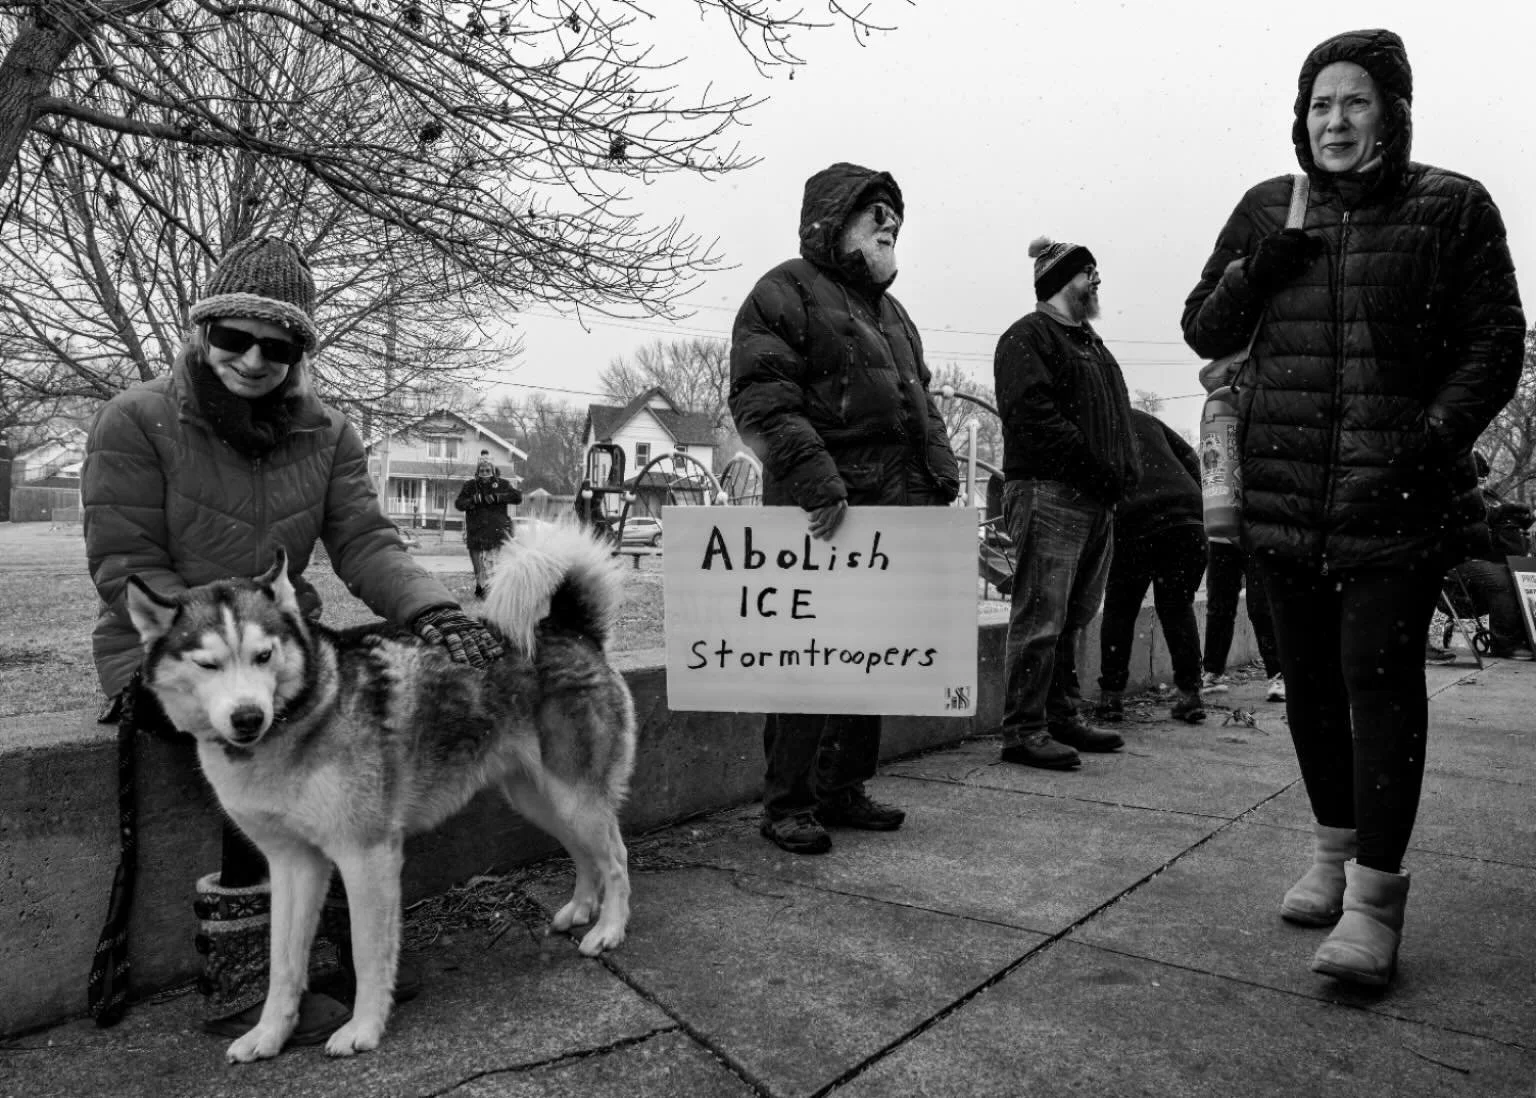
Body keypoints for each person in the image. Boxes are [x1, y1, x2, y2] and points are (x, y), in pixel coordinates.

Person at [81, 237, 504, 1037]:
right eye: (233, 337)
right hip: (173, 655)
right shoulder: (134, 419)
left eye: (276, 347)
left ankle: (350, 940)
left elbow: (366, 542)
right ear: (202, 332)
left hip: (279, 647)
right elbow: (125, 562)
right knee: (259, 744)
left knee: (377, 691)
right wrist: (223, 634)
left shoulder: (329, 433)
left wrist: (431, 611)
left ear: (298, 354)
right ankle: (245, 976)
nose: (252, 359)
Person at [1182, 29, 1525, 987]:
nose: (1333, 122)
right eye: (1319, 105)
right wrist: (1260, 267)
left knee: (1378, 683)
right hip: (1284, 496)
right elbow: (1203, 326)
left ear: (1394, 113)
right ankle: (1331, 853)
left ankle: (1376, 899)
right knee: (1309, 685)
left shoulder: (1452, 207)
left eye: (1355, 102)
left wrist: (1430, 436)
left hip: (1395, 500)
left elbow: (1495, 342)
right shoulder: (1267, 207)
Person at [728, 162, 960, 855]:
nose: (890, 227)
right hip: (820, 510)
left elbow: (920, 403)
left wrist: (939, 471)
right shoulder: (782, 291)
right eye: (875, 214)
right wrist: (818, 480)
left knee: (871, 658)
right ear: (834, 221)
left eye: (895, 217)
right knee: (805, 662)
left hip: (891, 508)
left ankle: (842, 787)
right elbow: (762, 401)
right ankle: (787, 802)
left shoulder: (894, 315)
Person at [992, 236, 1140, 770]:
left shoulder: (1093, 346)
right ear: (1060, 281)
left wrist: (1122, 474)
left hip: (1096, 498)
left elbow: (1115, 422)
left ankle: (1060, 715)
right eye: (1087, 272)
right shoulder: (1027, 337)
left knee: (1073, 616)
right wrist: (1093, 465)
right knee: (1040, 616)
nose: (1096, 280)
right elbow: (1032, 417)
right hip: (1050, 492)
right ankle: (1023, 730)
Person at [1094, 409, 1206, 725]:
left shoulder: (1094, 420)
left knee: (1120, 609)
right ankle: (1190, 693)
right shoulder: (1143, 418)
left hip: (1135, 517)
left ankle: (1111, 696)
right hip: (1188, 517)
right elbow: (1191, 457)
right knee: (1177, 607)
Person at [1442, 451, 1534, 660]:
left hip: (1490, 556)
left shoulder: (1490, 495)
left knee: (1520, 574)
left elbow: (1501, 516)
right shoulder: (1451, 494)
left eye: (1485, 477)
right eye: (1478, 477)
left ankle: (1528, 637)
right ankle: (1504, 644)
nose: (1482, 481)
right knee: (1501, 578)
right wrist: (1504, 512)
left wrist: (1521, 518)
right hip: (1458, 560)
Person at [1201, 538, 1285, 702]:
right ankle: (1213, 671)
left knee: (1261, 608)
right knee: (1219, 606)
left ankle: (1278, 674)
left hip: (1256, 536)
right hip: (1222, 537)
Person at [455, 450, 524, 598]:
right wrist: (473, 500)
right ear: (477, 471)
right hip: (476, 530)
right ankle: (480, 587)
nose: (485, 473)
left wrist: (498, 497)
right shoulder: (470, 486)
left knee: (494, 564)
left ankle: (495, 589)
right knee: (477, 563)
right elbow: (459, 504)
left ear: (492, 470)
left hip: (496, 531)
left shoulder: (502, 484)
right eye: (482, 470)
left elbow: (517, 497)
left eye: (487, 470)